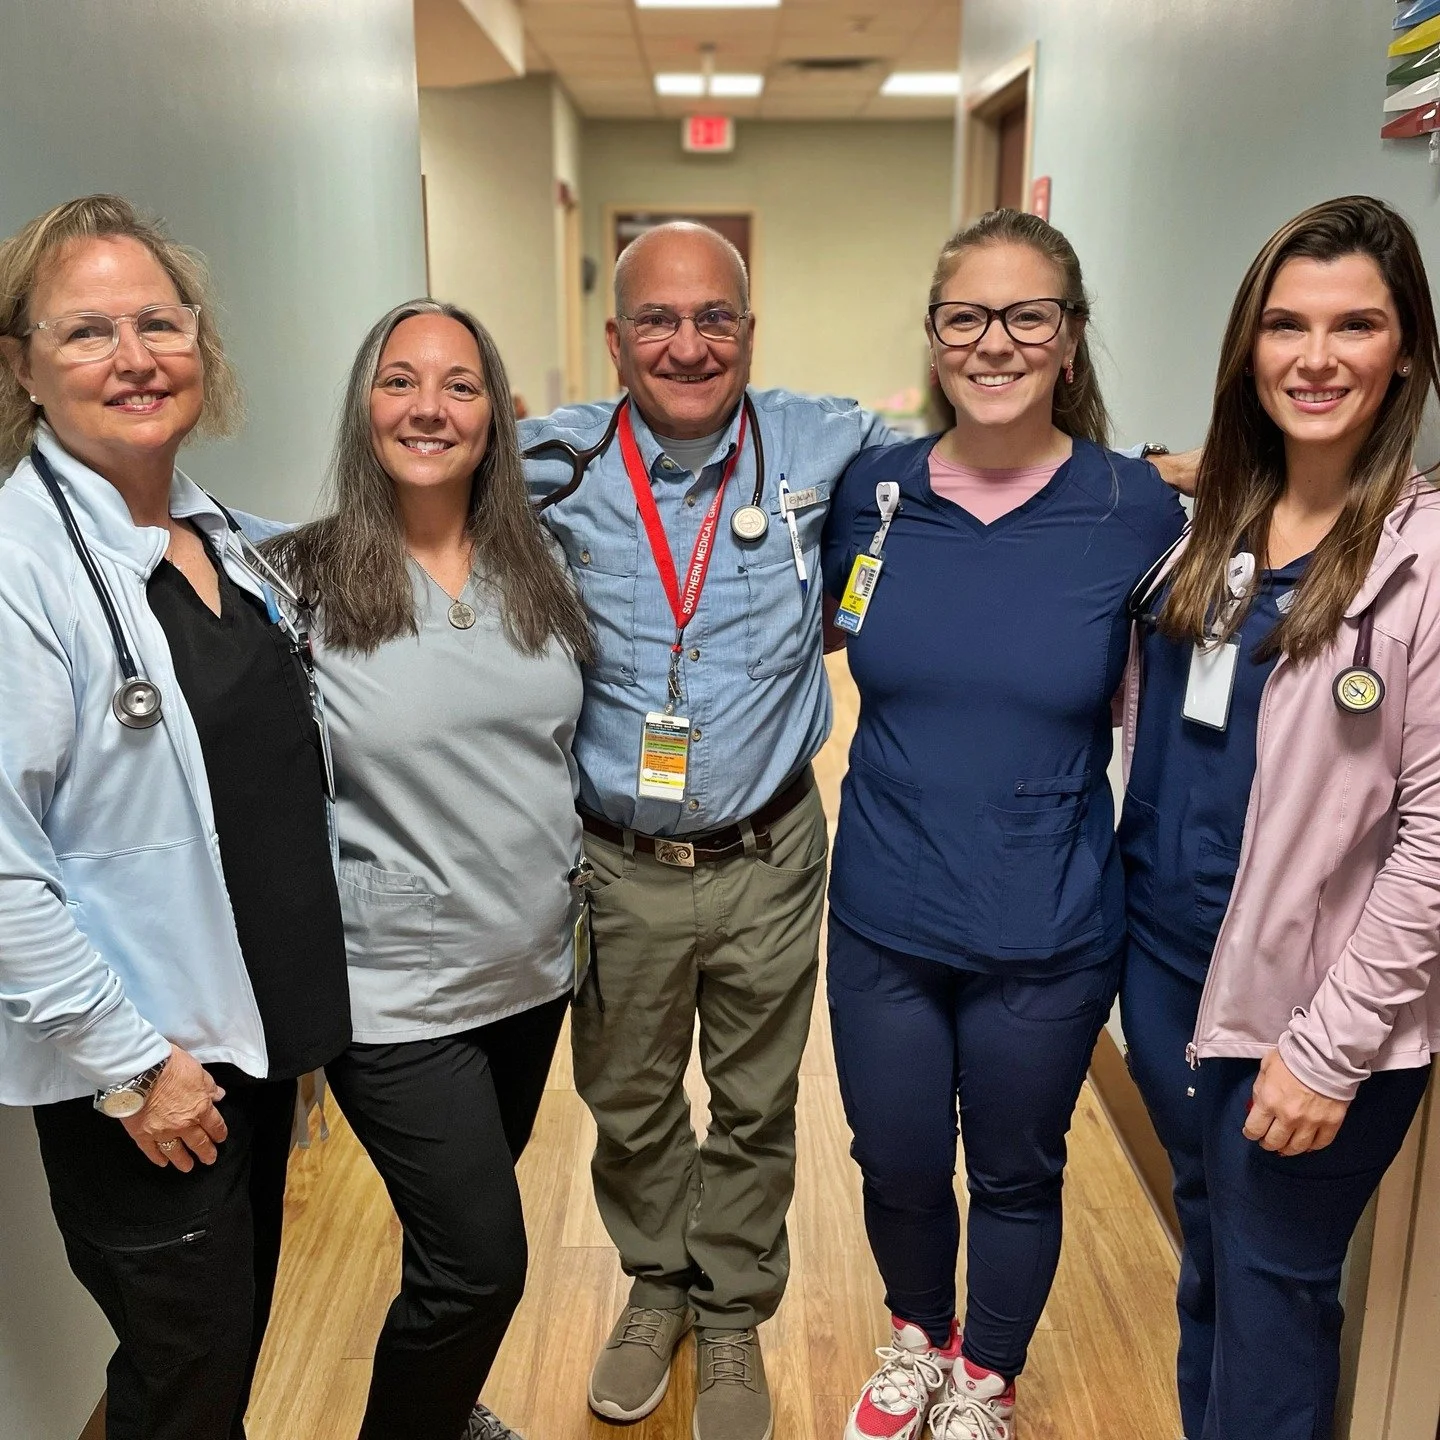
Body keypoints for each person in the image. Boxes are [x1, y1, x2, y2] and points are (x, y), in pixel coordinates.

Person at [821, 208, 1187, 1440]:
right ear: (934, 337)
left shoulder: (1136, 510)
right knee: (896, 1156)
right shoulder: (873, 494)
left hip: (1049, 919)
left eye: (1028, 316)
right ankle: (918, 1338)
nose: (995, 342)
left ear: (1070, 340)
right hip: (885, 909)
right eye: (966, 316)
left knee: (1018, 1167)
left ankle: (987, 1375)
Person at [0, 194, 350, 1440]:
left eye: (159, 322)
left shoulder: (214, 539)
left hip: (243, 1049)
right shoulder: (19, 568)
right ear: (22, 367)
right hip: (148, 1081)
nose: (135, 357)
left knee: (213, 1364)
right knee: (189, 1382)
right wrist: (137, 1068)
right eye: (87, 331)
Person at [1119, 195, 1440, 1440]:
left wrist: (1330, 1049)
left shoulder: (1421, 561)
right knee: (1211, 1262)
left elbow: (1432, 843)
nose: (1316, 357)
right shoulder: (1215, 527)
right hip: (1168, 971)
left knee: (1272, 1298)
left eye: (1355, 325)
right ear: (1247, 348)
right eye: (1286, 325)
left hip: (1307, 1011)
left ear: (1405, 351)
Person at [266, 300, 592, 1440]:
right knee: (480, 1268)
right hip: (394, 991)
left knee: (453, 1237)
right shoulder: (296, 581)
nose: (429, 408)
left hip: (531, 968)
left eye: (460, 384)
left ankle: (443, 1408)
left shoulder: (542, 567)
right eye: (400, 380)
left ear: (497, 415)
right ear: (364, 405)